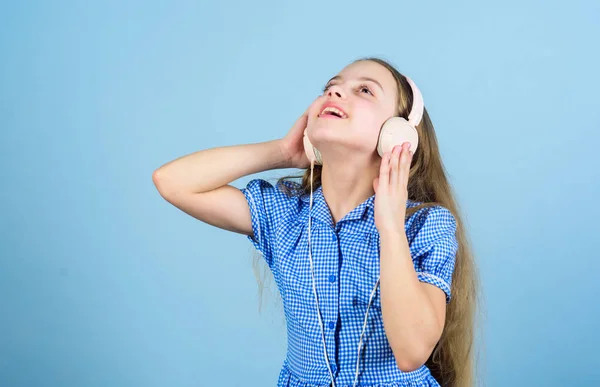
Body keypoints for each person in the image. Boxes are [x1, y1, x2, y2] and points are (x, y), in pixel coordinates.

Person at [152, 57, 478, 387]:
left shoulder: (424, 224)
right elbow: (172, 182)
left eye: (364, 90)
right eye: (330, 88)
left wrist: (390, 227)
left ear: (397, 133)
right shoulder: (282, 213)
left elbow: (411, 353)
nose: (335, 94)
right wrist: (281, 150)